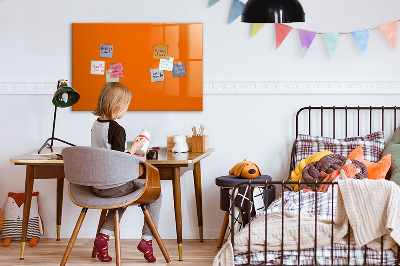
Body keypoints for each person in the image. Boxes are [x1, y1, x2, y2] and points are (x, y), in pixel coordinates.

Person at [91, 82, 161, 263]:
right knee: (156, 194)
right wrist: (136, 148)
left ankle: (103, 238)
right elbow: (119, 161)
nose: (126, 110)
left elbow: (108, 154)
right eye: (126, 106)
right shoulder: (117, 129)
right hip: (114, 186)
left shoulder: (96, 125)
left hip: (97, 186)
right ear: (118, 105)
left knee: (121, 197)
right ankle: (147, 240)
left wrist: (131, 149)